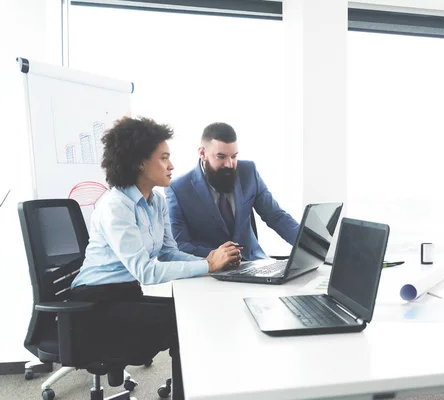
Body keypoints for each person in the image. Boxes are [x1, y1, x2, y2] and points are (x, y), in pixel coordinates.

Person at [70, 116, 240, 400]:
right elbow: (146, 271)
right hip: (94, 305)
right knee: (185, 325)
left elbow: (168, 252)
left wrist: (209, 262)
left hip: (124, 294)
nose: (171, 165)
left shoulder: (156, 199)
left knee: (189, 316)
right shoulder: (116, 207)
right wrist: (206, 266)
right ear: (139, 162)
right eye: (164, 158)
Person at [165, 122, 300, 260]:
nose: (229, 164)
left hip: (254, 262)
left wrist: (310, 245)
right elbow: (179, 245)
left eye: (234, 156)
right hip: (210, 272)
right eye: (221, 157)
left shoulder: (248, 172)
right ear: (202, 153)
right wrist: (216, 257)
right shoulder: (178, 189)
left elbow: (276, 216)